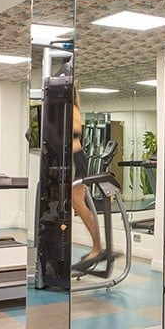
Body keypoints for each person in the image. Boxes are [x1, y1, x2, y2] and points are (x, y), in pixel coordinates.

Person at [72, 86, 105, 266]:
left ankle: (97, 247)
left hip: (76, 160)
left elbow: (72, 131)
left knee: (78, 204)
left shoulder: (72, 110)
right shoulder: (68, 110)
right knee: (73, 205)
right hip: (69, 161)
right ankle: (96, 246)